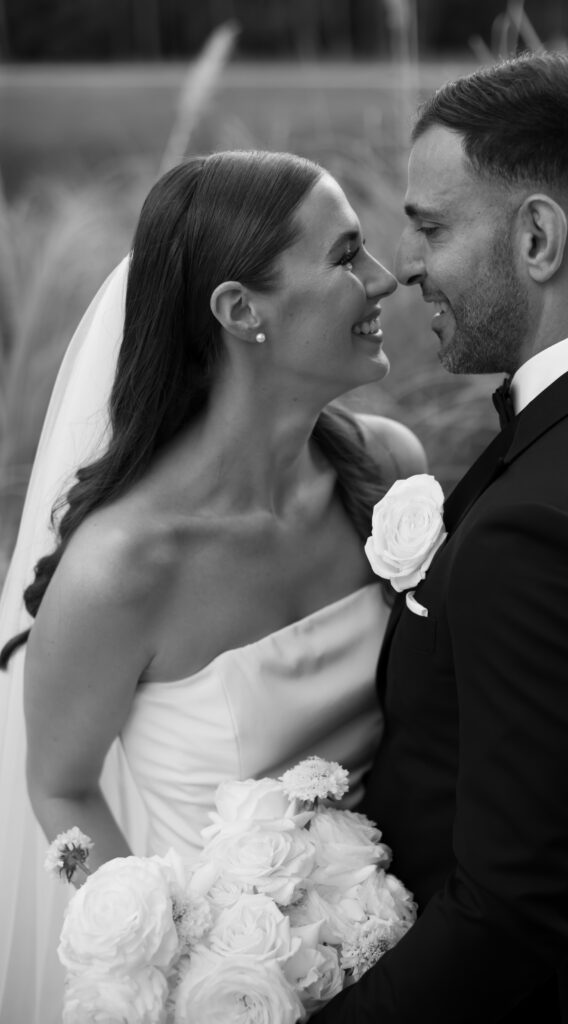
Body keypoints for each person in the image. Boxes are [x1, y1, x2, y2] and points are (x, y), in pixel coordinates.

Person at [0, 149, 426, 1023]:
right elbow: (61, 790)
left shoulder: (389, 474)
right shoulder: (126, 566)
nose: (382, 281)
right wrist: (164, 958)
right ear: (240, 311)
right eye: (345, 256)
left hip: (410, 946)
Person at [314, 51, 568, 1024]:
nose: (405, 269)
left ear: (533, 236)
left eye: (430, 226)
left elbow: (508, 916)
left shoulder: (547, 531)